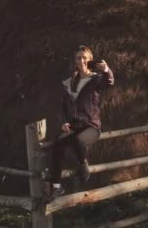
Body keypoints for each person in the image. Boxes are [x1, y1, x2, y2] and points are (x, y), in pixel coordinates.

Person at [50, 45, 114, 198]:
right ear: (75, 61)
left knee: (78, 140)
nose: (82, 60)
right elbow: (63, 105)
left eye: (85, 57)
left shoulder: (96, 79)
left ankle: (83, 163)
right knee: (57, 145)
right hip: (74, 126)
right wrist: (64, 122)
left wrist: (106, 69)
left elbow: (109, 81)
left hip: (91, 126)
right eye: (79, 58)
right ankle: (56, 187)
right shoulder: (69, 82)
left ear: (90, 60)